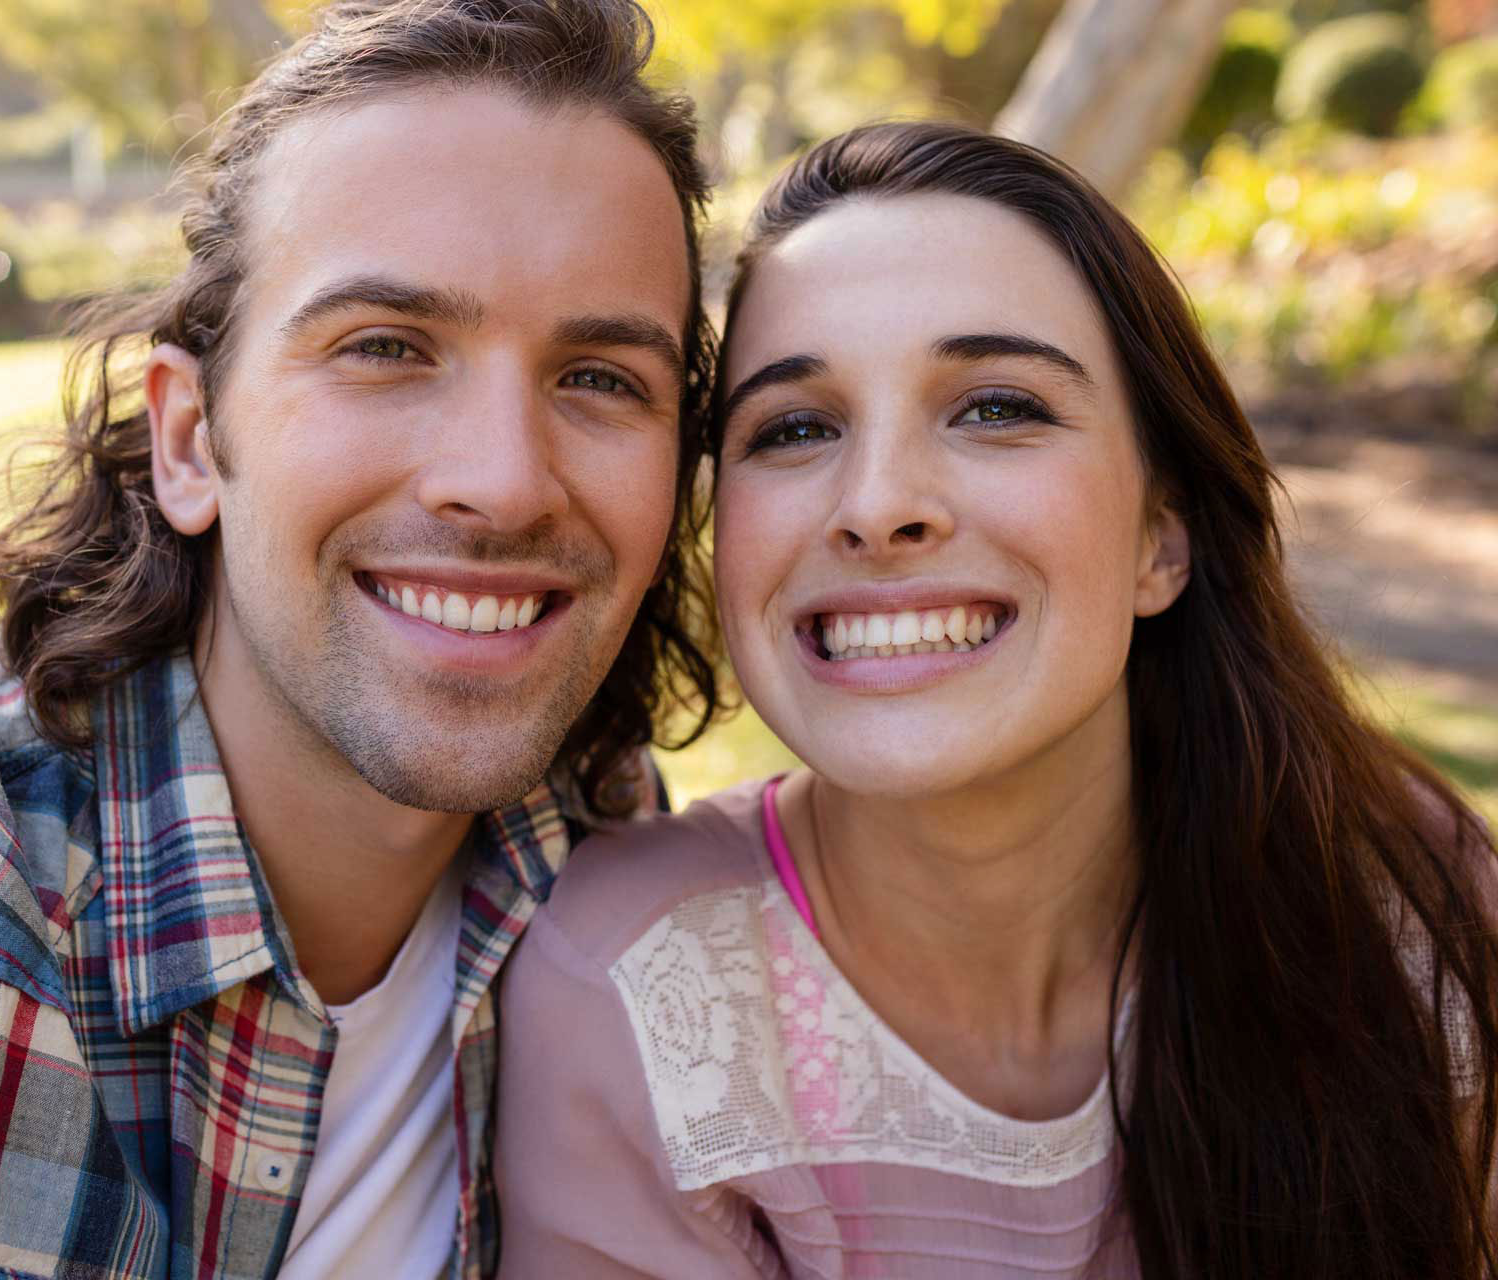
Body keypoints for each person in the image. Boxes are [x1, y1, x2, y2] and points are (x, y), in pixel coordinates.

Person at [0, 0, 724, 1274]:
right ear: (189, 438)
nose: (505, 482)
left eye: (603, 377)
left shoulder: (599, 852)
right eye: (387, 347)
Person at [495, 120, 1498, 1280]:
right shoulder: (642, 996)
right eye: (796, 427)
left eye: (995, 407)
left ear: (1160, 539)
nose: (878, 504)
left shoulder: (1397, 895)